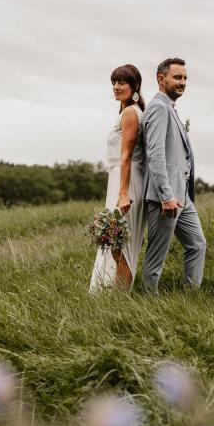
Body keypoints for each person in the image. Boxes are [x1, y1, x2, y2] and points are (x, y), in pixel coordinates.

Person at [141, 58, 206, 293]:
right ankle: (148, 304)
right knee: (156, 258)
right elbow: (155, 154)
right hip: (165, 197)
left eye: (185, 78)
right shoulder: (158, 108)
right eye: (178, 77)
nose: (183, 82)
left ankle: (191, 297)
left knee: (197, 244)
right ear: (161, 79)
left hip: (182, 195)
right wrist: (166, 195)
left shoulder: (171, 108)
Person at [89, 64, 147, 292]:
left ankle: (121, 297)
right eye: (114, 82)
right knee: (115, 240)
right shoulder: (126, 111)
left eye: (122, 82)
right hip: (120, 179)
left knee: (118, 242)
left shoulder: (131, 112)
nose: (116, 86)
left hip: (127, 182)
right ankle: (114, 294)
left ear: (135, 86)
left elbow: (126, 156)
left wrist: (123, 193)